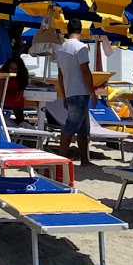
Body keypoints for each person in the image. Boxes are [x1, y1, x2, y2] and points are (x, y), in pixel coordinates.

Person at [54, 22, 94, 168]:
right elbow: (85, 71)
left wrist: (64, 94)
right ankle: (61, 157)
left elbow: (60, 75)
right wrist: (93, 93)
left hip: (70, 91)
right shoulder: (80, 47)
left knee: (83, 128)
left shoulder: (61, 49)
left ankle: (84, 159)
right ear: (80, 30)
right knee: (71, 126)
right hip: (80, 92)